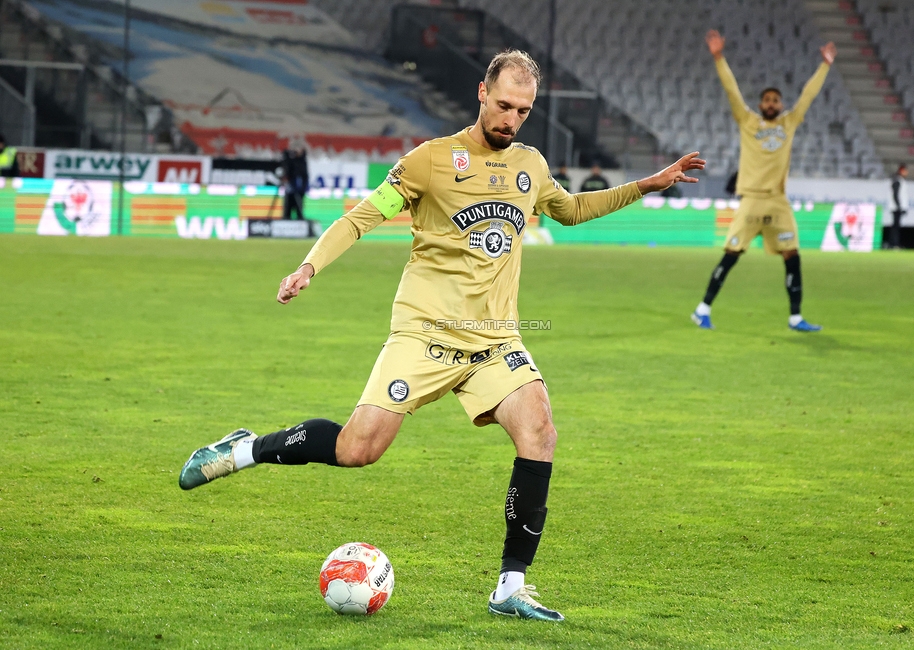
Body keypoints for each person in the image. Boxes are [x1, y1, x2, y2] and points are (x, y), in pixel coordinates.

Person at [178, 49, 705, 621]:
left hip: (495, 341)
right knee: (359, 451)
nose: (511, 119)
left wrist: (649, 184)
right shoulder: (430, 161)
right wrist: (309, 266)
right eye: (503, 105)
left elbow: (572, 209)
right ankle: (247, 448)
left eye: (523, 111)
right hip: (423, 333)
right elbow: (362, 215)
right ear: (482, 94)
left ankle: (510, 585)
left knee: (540, 430)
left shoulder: (531, 165)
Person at [691, 29, 835, 332]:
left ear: (781, 105)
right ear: (761, 104)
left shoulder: (789, 122)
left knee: (792, 255)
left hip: (778, 201)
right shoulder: (748, 121)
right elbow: (732, 91)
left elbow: (808, 95)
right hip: (752, 198)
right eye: (767, 100)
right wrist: (718, 57)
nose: (771, 103)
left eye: (776, 100)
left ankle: (796, 317)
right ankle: (702, 309)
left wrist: (824, 65)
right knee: (731, 255)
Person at [282, 147, 309, 220]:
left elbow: (304, 175)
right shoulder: (289, 162)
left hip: (299, 190)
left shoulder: (302, 163)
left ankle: (299, 222)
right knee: (288, 209)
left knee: (298, 208)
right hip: (291, 190)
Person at [889, 163, 908, 249]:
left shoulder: (899, 180)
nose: (907, 172)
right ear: (901, 170)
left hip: (897, 207)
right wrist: (899, 206)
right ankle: (894, 244)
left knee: (896, 226)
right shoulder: (897, 180)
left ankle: (894, 243)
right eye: (905, 170)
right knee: (895, 227)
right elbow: (895, 194)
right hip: (896, 207)